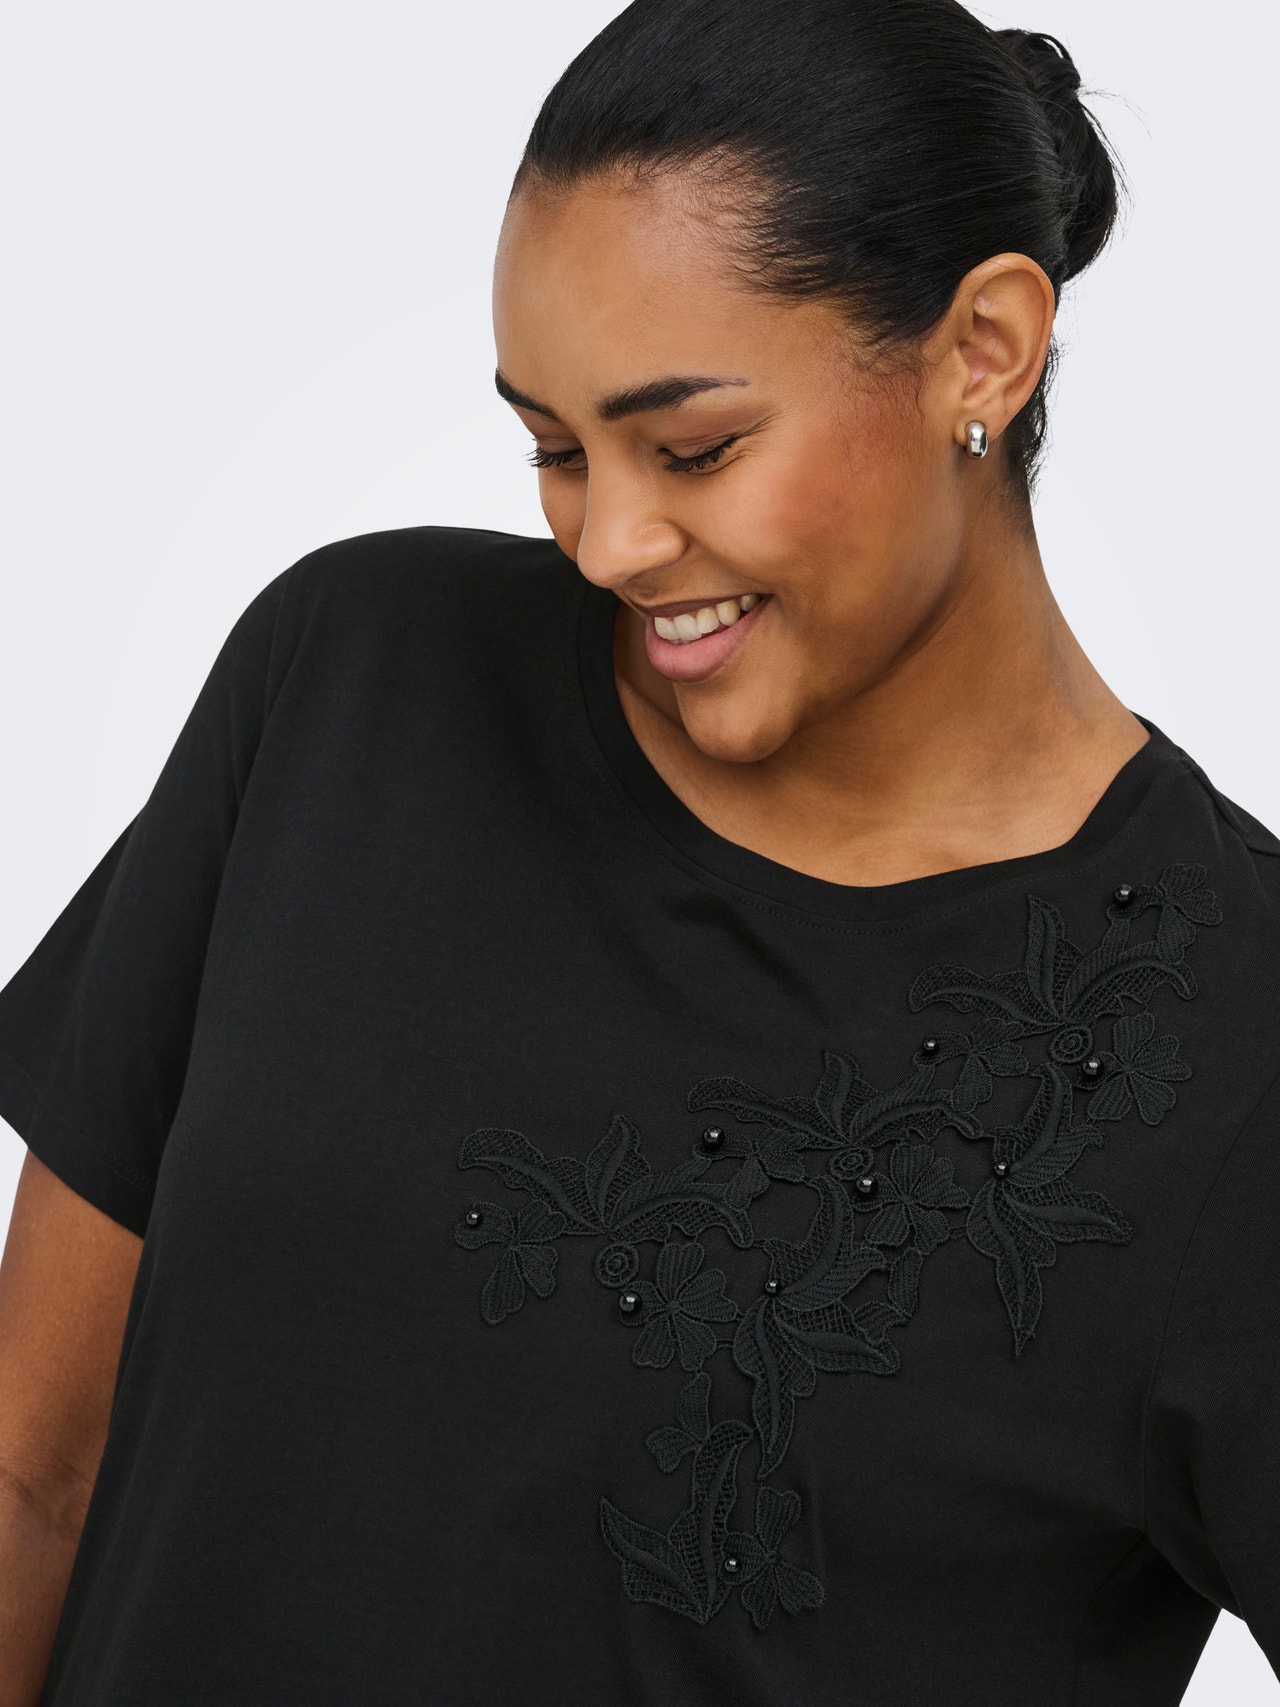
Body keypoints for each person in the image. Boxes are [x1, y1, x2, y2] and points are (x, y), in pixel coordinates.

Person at [0, 0, 1276, 1701]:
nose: (608, 540)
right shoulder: (353, 682)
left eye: (693, 449)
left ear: (984, 349)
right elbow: (34, 1470)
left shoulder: (1236, 1038)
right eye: (554, 447)